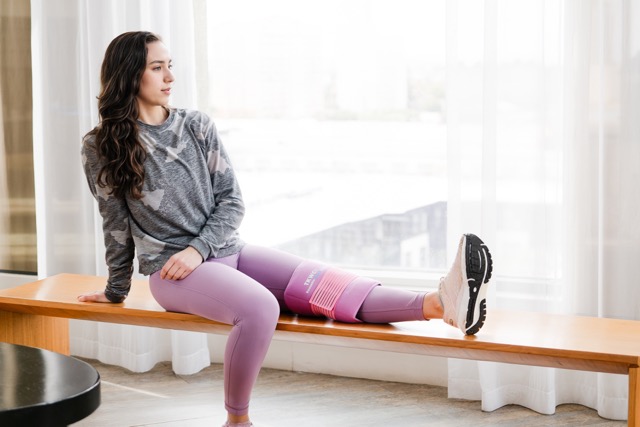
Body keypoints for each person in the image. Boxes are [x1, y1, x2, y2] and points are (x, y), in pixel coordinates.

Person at [79, 31, 493, 427]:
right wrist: (117, 289)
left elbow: (231, 200)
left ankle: (443, 304)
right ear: (131, 74)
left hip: (224, 250)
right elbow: (114, 223)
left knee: (329, 285)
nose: (170, 77)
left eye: (170, 66)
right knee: (260, 308)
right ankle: (237, 420)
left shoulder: (196, 125)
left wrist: (201, 248)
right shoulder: (101, 145)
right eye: (157, 68)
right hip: (174, 273)